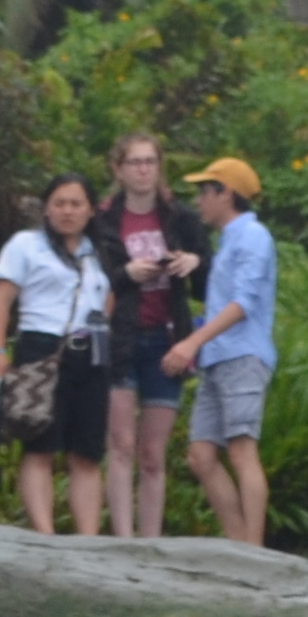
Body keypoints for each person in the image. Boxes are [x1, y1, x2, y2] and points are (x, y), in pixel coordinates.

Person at [0, 170, 118, 536]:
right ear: (46, 208)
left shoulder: (99, 251)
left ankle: (87, 538)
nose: (68, 211)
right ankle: (45, 534)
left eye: (76, 204)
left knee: (87, 451)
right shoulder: (26, 245)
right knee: (40, 443)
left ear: (91, 210)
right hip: (41, 349)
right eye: (60, 203)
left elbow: (109, 295)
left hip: (90, 351)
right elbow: (2, 299)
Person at [98, 137, 212, 540]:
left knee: (152, 454)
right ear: (119, 169)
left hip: (167, 337)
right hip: (120, 337)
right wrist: (126, 274)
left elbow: (207, 282)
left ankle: (151, 543)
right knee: (121, 444)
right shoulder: (105, 219)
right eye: (135, 162)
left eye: (150, 162)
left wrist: (193, 261)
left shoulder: (180, 218)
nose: (143, 170)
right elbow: (91, 280)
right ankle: (123, 541)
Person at [169, 156, 279, 547]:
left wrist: (192, 342)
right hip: (217, 358)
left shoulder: (253, 236)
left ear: (225, 193)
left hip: (243, 356)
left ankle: (254, 549)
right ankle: (239, 543)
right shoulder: (228, 240)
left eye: (204, 192)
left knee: (241, 453)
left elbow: (244, 302)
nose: (198, 201)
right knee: (200, 455)